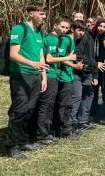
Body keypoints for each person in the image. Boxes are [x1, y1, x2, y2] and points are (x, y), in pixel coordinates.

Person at [4, 3, 48, 159]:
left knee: (29, 110)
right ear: (31, 13)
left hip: (36, 77)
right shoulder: (19, 29)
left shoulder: (40, 32)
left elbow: (41, 54)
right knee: (19, 110)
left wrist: (43, 76)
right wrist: (32, 64)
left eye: (44, 14)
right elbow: (13, 55)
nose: (44, 16)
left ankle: (23, 141)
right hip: (21, 75)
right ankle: (11, 146)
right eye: (41, 13)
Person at [32, 16, 75, 146]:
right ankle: (41, 135)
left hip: (53, 74)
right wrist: (69, 57)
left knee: (49, 105)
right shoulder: (51, 39)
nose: (64, 30)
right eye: (62, 27)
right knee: (46, 105)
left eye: (67, 28)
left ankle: (46, 131)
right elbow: (49, 59)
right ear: (55, 25)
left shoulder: (56, 39)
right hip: (49, 75)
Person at [56, 21, 84, 139]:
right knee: (64, 104)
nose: (81, 33)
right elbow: (60, 58)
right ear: (72, 29)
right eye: (79, 30)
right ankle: (63, 130)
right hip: (63, 76)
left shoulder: (72, 41)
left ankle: (67, 127)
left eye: (83, 30)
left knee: (68, 103)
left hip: (69, 75)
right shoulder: (66, 40)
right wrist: (74, 66)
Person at [73, 19, 100, 130]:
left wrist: (95, 75)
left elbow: (94, 57)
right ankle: (72, 122)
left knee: (89, 95)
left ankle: (82, 120)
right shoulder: (85, 37)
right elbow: (77, 54)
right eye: (98, 25)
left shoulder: (97, 38)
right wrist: (94, 64)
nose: (100, 28)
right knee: (77, 97)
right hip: (78, 71)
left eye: (104, 26)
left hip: (89, 71)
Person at [88, 19, 105, 120]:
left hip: (98, 68)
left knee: (97, 91)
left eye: (104, 27)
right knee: (91, 91)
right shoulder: (89, 36)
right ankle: (89, 114)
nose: (102, 29)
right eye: (100, 26)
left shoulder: (100, 38)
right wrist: (96, 64)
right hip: (90, 67)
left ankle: (95, 112)